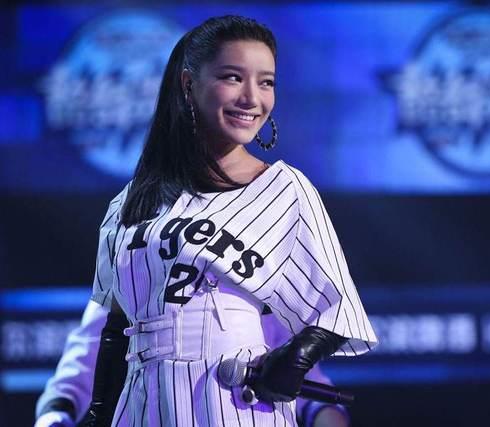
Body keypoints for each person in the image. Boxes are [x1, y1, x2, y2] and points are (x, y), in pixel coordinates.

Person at [64, 15, 376, 427]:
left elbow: (337, 310)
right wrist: (98, 412)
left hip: (231, 399)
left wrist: (295, 359)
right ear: (188, 84)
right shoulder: (131, 200)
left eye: (266, 82)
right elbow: (116, 324)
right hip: (142, 403)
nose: (252, 98)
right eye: (233, 77)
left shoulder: (284, 189)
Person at [34, 300, 350, 427]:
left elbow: (311, 390)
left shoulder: (258, 281)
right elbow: (76, 375)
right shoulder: (132, 261)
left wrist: (327, 415)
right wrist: (54, 417)